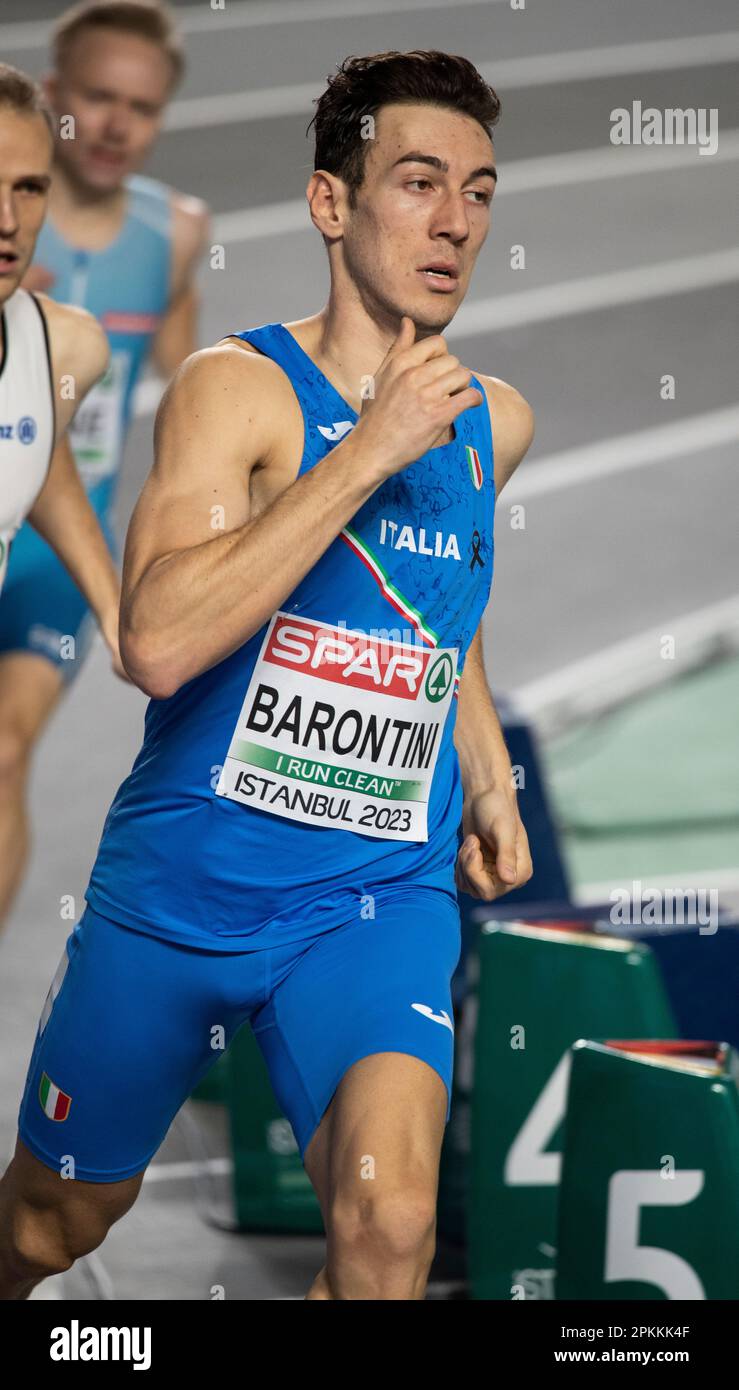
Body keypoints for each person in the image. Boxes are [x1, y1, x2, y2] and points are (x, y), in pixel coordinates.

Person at [1, 51, 535, 1302]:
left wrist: (487, 760)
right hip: (186, 890)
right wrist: (363, 453)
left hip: (371, 899)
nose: (454, 220)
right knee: (47, 1225)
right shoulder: (234, 392)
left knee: (391, 1224)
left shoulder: (492, 419)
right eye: (416, 182)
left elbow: (436, 604)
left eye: (478, 191)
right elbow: (159, 641)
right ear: (330, 203)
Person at [0, 0, 209, 928]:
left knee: (4, 753)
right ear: (57, 98)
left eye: (144, 106)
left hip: (51, 547)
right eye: (98, 97)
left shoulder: (174, 234)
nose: (119, 124)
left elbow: (182, 390)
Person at [0, 64, 124, 806]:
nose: (8, 220)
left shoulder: (66, 348)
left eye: (30, 187)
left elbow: (36, 460)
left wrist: (117, 616)